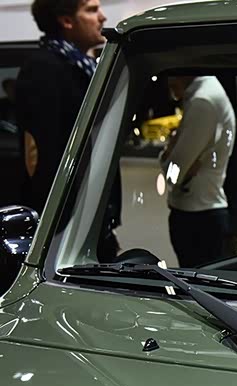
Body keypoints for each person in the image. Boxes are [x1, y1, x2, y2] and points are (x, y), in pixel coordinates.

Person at [15, 0, 120, 261]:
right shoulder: (44, 68)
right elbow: (39, 156)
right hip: (67, 224)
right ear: (66, 21)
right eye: (92, 10)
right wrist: (56, 227)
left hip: (94, 213)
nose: (102, 17)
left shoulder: (85, 66)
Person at [160, 76, 235, 267]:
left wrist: (166, 155)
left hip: (197, 217)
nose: (169, 85)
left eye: (172, 81)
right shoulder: (209, 91)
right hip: (203, 212)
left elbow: (173, 175)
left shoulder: (202, 101)